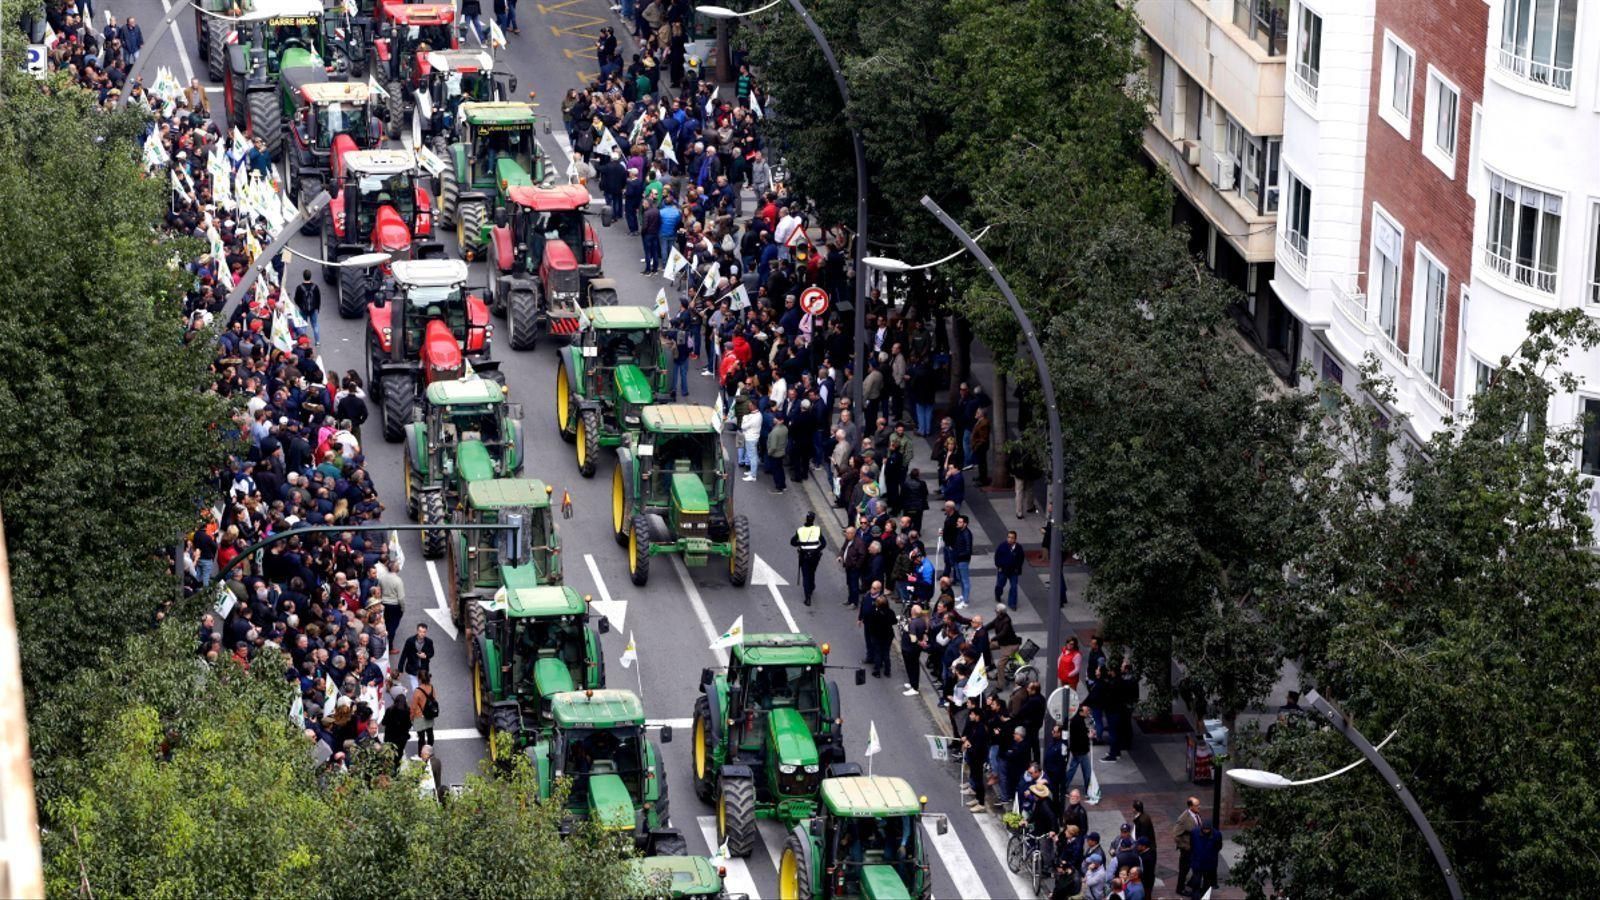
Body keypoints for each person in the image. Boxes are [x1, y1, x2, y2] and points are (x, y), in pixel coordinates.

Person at [789, 512, 826, 605]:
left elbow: (792, 542)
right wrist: (817, 550)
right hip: (815, 557)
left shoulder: (800, 530)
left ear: (806, 519)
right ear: (813, 520)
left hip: (804, 556)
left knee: (806, 576)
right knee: (812, 572)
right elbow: (824, 543)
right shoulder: (817, 529)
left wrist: (801, 544)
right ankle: (812, 586)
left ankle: (807, 598)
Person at [861, 591, 896, 678]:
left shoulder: (874, 613)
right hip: (888, 635)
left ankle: (877, 671)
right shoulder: (890, 612)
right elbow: (894, 621)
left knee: (878, 653)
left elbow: (870, 624)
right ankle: (887, 671)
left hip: (877, 636)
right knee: (886, 652)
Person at [899, 604, 930, 696]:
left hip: (909, 649)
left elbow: (913, 639)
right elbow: (924, 633)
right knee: (913, 666)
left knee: (911, 667)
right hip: (915, 650)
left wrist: (919, 642)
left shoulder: (913, 624)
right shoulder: (922, 621)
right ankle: (912, 683)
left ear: (912, 612)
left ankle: (914, 687)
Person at [1174, 795, 1203, 895]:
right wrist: (1185, 847)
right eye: (1197, 805)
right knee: (1184, 870)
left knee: (1198, 867)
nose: (1199, 807)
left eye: (1199, 805)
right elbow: (1176, 835)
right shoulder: (1183, 819)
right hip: (1187, 850)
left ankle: (1191, 884)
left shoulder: (1196, 814)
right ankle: (1180, 889)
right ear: (1191, 807)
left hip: (1196, 848)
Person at [1065, 700, 1094, 793]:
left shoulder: (1077, 719)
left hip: (1076, 750)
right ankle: (1088, 789)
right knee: (1087, 771)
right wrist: (1089, 736)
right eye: (1087, 712)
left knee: (1072, 769)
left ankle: (1064, 786)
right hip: (1081, 750)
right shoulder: (1078, 721)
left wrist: (1087, 732)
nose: (1088, 713)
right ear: (1081, 712)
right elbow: (1081, 737)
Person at [1187, 819, 1223, 895]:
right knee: (1196, 882)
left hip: (1209, 863)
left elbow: (1218, 847)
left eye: (1207, 829)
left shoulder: (1217, 834)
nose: (1206, 831)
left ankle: (1204, 895)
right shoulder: (1194, 832)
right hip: (1197, 862)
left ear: (1210, 829)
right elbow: (1191, 845)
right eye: (1204, 829)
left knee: (1207, 883)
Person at [396, 623, 434, 692]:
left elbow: (432, 653)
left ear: (426, 632)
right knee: (415, 689)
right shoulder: (410, 641)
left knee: (423, 687)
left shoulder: (429, 642)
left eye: (424, 632)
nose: (422, 634)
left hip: (424, 669)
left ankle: (421, 699)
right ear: (417, 631)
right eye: (420, 631)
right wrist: (400, 669)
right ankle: (417, 700)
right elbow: (404, 655)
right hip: (412, 668)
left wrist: (426, 656)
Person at [381, 685, 412, 766]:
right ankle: (396, 768)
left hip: (390, 737)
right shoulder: (408, 711)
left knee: (389, 756)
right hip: (402, 738)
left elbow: (384, 722)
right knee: (399, 755)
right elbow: (409, 725)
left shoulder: (390, 710)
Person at [994, 529, 1025, 610]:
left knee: (1014, 587)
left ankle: (1012, 604)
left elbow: (1021, 559)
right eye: (1008, 537)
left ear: (1015, 539)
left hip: (1013, 571)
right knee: (1000, 585)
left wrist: (1018, 569)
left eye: (1012, 538)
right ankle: (998, 595)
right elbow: (997, 557)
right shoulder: (1002, 546)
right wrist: (999, 566)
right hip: (1003, 570)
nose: (1010, 539)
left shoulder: (1018, 548)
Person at [409, 668, 438, 750]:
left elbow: (413, 707)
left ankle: (421, 754)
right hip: (429, 714)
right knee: (430, 733)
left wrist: (411, 717)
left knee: (421, 737)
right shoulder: (431, 687)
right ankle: (429, 750)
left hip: (419, 716)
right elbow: (434, 698)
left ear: (419, 678)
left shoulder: (417, 691)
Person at [765, 413, 788, 493]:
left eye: (775, 419)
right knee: (780, 469)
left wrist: (769, 452)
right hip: (781, 452)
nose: (774, 419)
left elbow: (773, 446)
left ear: (779, 420)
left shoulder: (775, 432)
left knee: (776, 471)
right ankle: (783, 485)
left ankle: (778, 488)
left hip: (775, 454)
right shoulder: (785, 428)